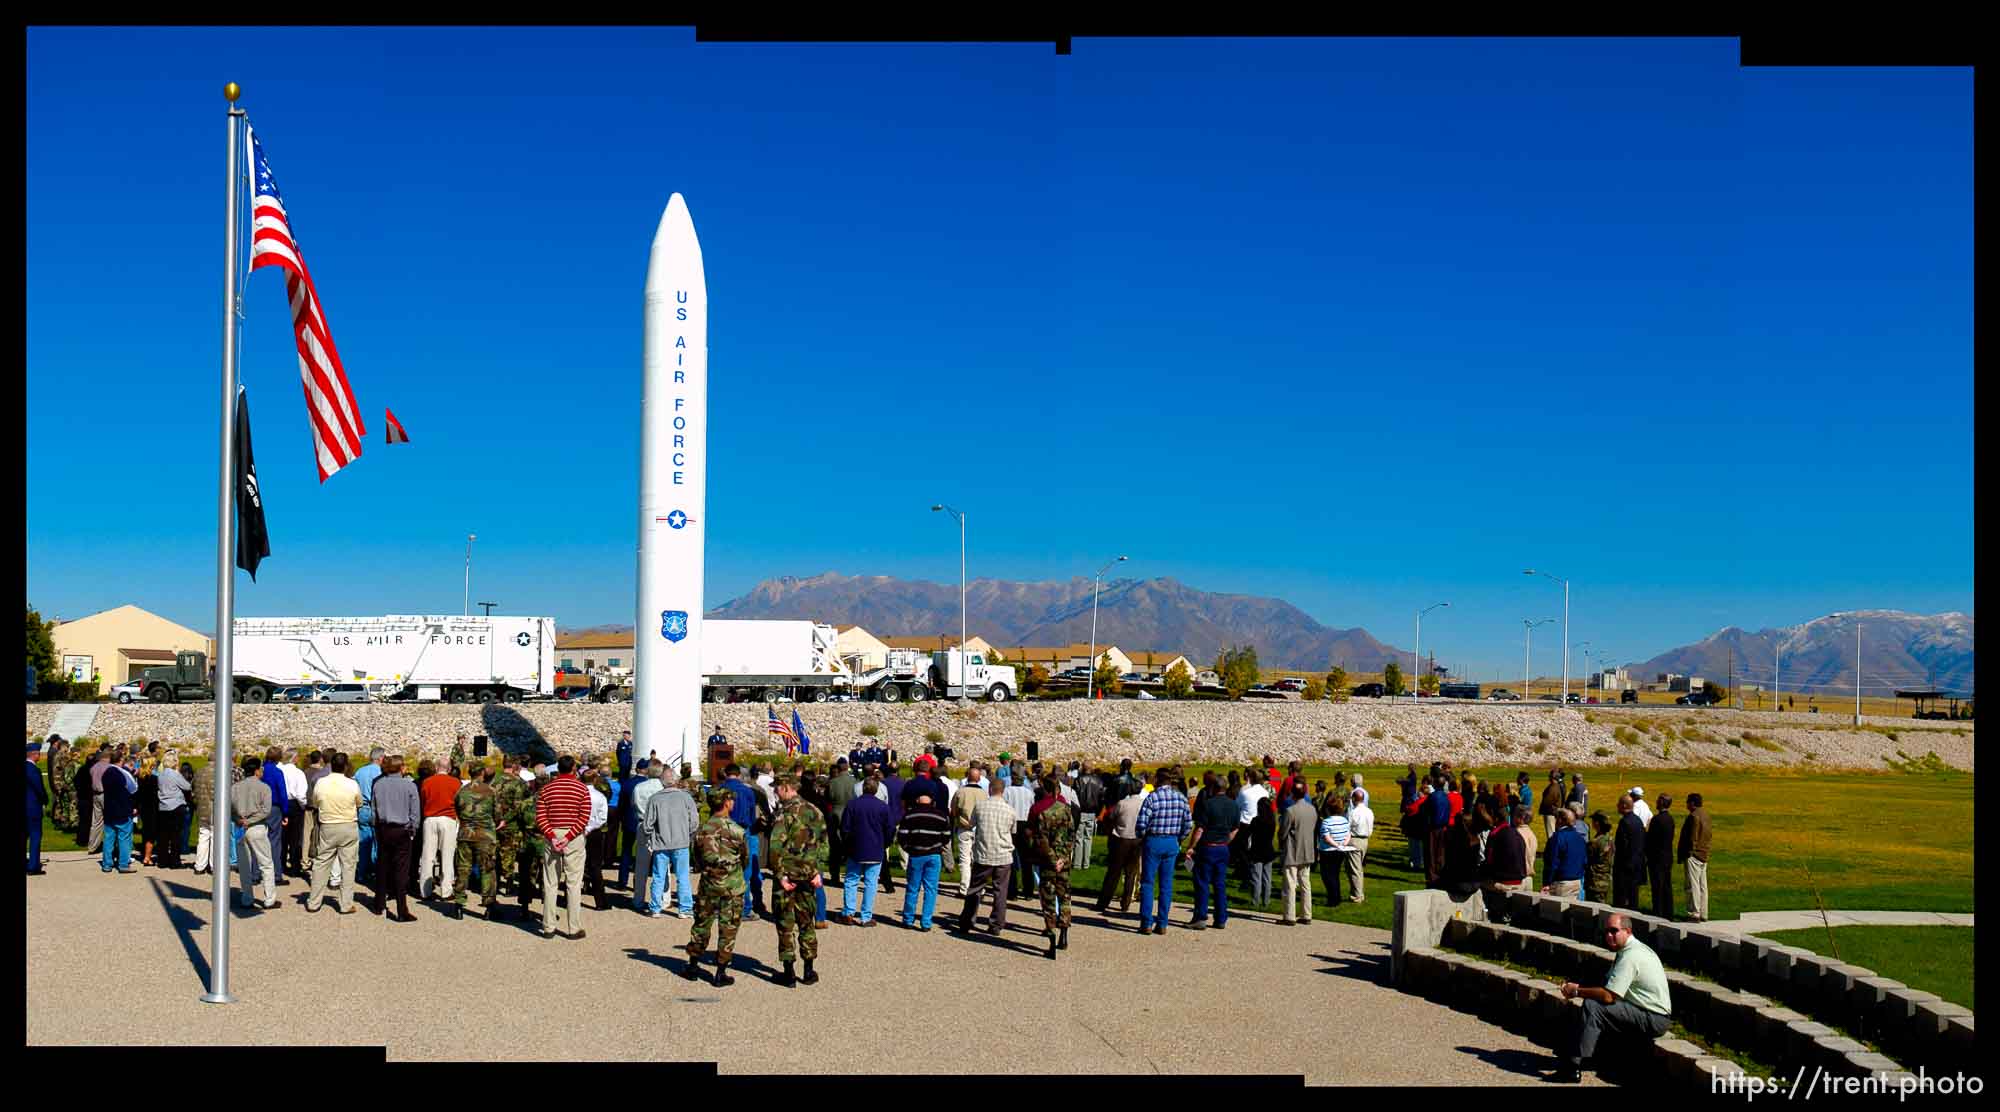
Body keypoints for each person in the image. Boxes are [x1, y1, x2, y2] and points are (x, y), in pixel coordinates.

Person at [1549, 913, 1673, 1083]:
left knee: (1594, 1007)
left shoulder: (1631, 956)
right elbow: (1607, 985)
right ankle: (1587, 1056)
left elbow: (1608, 996)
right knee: (1594, 1001)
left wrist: (1577, 991)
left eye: (1614, 931)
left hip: (1654, 1017)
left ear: (1627, 931)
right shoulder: (1629, 950)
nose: (1608, 935)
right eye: (1606, 931)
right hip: (1643, 1010)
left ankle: (1572, 1067)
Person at [683, 788, 747, 987]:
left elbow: (697, 859)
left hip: (709, 884)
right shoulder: (737, 831)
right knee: (728, 927)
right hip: (732, 885)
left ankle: (693, 964)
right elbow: (744, 859)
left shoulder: (702, 830)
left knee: (701, 924)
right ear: (726, 803)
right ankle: (721, 971)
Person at [769, 774, 828, 985]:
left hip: (788, 878)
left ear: (786, 787)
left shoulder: (784, 814)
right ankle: (809, 970)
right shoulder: (815, 811)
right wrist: (817, 872)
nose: (775, 791)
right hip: (808, 877)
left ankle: (789, 972)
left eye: (777, 788)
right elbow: (823, 844)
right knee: (806, 924)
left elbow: (775, 849)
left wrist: (780, 875)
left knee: (785, 925)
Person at [535, 754, 593, 940]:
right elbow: (584, 816)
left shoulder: (547, 789)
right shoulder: (581, 789)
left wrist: (552, 836)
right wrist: (567, 837)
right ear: (574, 769)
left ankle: (548, 926)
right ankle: (573, 927)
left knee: (550, 882)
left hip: (552, 832)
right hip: (573, 835)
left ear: (558, 769)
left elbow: (540, 816)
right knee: (573, 883)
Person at [956, 778, 1017, 936]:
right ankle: (996, 924)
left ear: (990, 789)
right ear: (1003, 791)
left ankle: (967, 920)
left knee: (975, 889)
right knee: (1000, 891)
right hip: (1003, 855)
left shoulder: (980, 807)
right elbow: (1013, 830)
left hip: (984, 854)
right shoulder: (1010, 810)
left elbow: (972, 824)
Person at [1134, 768, 1190, 935]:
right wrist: (1179, 839)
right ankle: (1163, 922)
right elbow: (1188, 823)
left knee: (1148, 883)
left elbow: (1142, 823)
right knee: (1166, 884)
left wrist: (1142, 837)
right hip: (1172, 840)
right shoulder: (1181, 798)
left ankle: (1146, 922)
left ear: (1158, 780)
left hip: (1154, 840)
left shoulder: (1153, 798)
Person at [305, 753, 362, 914]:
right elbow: (359, 802)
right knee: (348, 866)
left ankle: (314, 902)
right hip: (348, 825)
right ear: (346, 766)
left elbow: (315, 802)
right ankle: (346, 904)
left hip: (328, 825)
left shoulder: (321, 782)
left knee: (321, 863)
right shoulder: (352, 783)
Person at [642, 764, 700, 918]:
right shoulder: (686, 797)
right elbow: (694, 821)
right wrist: (688, 834)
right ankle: (685, 908)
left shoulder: (655, 799)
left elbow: (647, 825)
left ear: (662, 781)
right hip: (681, 842)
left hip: (661, 843)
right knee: (683, 877)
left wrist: (651, 837)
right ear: (676, 780)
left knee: (659, 876)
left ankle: (655, 908)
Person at [1029, 773, 1076, 958]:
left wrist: (1052, 859)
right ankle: (1064, 933)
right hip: (1063, 860)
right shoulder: (1066, 810)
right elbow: (1072, 835)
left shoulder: (1042, 812)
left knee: (1048, 900)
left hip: (1048, 862)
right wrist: (1063, 858)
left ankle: (1051, 937)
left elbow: (1041, 840)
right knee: (1064, 897)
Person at [838, 772, 894, 926]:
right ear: (876, 790)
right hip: (875, 848)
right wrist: (885, 844)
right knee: (871, 883)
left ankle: (848, 912)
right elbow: (890, 829)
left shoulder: (852, 805)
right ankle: (866, 916)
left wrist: (847, 844)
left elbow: (844, 828)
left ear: (862, 789)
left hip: (856, 847)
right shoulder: (883, 807)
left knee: (851, 880)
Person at [371, 755, 422, 921]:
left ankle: (379, 904)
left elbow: (373, 809)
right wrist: (413, 829)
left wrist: (376, 825)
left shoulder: (378, 784)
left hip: (383, 828)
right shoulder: (409, 786)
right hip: (402, 830)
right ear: (401, 768)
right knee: (401, 870)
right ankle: (401, 909)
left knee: (382, 866)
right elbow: (415, 811)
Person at [447, 763, 500, 920]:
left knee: (463, 869)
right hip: (485, 835)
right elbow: (497, 814)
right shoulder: (491, 791)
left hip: (465, 834)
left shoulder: (461, 792)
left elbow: (456, 810)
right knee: (487, 869)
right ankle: (489, 906)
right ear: (482, 773)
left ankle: (458, 905)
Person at [897, 779, 950, 931]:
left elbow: (902, 836)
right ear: (932, 800)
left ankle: (908, 919)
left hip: (916, 854)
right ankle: (926, 922)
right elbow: (946, 836)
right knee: (931, 889)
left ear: (917, 799)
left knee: (913, 888)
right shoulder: (940, 816)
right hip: (934, 855)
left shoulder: (910, 815)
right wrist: (937, 846)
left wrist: (909, 848)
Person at [231, 755, 280, 909]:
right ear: (257, 770)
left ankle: (247, 898)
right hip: (256, 826)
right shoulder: (264, 787)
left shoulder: (235, 787)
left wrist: (238, 819)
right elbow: (266, 811)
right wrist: (250, 820)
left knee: (245, 865)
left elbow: (229, 807)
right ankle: (269, 898)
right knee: (266, 863)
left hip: (240, 826)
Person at [1095, 772, 1146, 915]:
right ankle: (1125, 903)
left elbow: (1111, 817)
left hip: (1121, 838)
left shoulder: (1123, 803)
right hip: (1137, 840)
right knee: (1131, 873)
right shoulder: (1144, 804)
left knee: (1113, 872)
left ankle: (1103, 902)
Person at [721, 765, 763, 920]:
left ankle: (724, 905)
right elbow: (752, 814)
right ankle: (745, 907)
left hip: (724, 830)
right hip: (743, 830)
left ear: (726, 774)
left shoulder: (720, 789)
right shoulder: (747, 791)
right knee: (744, 870)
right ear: (738, 775)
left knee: (724, 868)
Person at [417, 758, 463, 903]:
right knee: (447, 855)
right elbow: (460, 802)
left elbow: (423, 800)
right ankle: (446, 891)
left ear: (437, 767)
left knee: (427, 855)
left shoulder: (427, 782)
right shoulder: (456, 783)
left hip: (430, 819)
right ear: (449, 769)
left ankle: (425, 891)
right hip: (448, 819)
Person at [1480, 805, 1531, 920]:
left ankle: (1488, 914)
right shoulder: (1517, 833)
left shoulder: (1495, 834)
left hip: (1504, 880)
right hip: (1519, 878)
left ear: (1496, 818)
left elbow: (1489, 861)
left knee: (1479, 883)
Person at [950, 761, 985, 898]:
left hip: (964, 828)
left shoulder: (960, 792)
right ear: (979, 778)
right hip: (979, 828)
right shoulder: (983, 794)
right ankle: (979, 888)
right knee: (978, 859)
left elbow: (953, 811)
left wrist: (960, 817)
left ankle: (964, 888)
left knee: (965, 860)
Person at [1677, 792, 1712, 922]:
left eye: (1687, 802)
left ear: (1692, 803)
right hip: (1704, 853)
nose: (1686, 804)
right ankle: (1704, 913)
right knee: (1703, 885)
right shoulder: (1706, 815)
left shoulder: (1694, 816)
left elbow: (1692, 837)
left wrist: (1689, 852)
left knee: (1692, 885)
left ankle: (1694, 913)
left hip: (1694, 854)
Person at [353, 747, 385, 887]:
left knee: (364, 842)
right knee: (377, 843)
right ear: (381, 758)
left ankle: (361, 872)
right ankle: (375, 872)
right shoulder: (380, 773)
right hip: (375, 808)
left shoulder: (360, 771)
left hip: (362, 808)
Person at [153, 757, 191, 871]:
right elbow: (187, 786)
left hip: (163, 806)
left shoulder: (160, 774)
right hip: (175, 805)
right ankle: (175, 861)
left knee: (163, 836)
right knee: (175, 835)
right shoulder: (175, 774)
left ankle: (162, 861)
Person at [1541, 807, 1586, 900]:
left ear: (1561, 820)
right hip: (1577, 882)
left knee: (1554, 912)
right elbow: (1584, 861)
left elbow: (1552, 862)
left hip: (1561, 882)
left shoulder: (1557, 837)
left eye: (1556, 818)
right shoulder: (1580, 838)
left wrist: (1546, 882)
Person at [1645, 793, 1676, 921]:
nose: (1656, 802)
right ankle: (1668, 911)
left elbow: (1651, 839)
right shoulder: (1670, 819)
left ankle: (1658, 911)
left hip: (1656, 857)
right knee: (1666, 885)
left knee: (1657, 886)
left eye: (1658, 800)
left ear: (1662, 802)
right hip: (1667, 856)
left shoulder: (1657, 820)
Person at [1316, 794, 1351, 904]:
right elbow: (1348, 834)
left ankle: (1333, 898)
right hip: (1340, 851)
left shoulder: (1326, 822)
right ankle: (1336, 897)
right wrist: (1343, 844)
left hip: (1327, 851)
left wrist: (1336, 845)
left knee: (1326, 875)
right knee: (1335, 874)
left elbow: (1326, 838)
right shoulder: (1344, 820)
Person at [277, 748, 307, 878]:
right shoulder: (299, 773)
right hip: (294, 804)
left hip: (281, 803)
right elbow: (301, 794)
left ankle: (281, 864)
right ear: (294, 758)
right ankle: (295, 867)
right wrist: (302, 806)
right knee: (295, 838)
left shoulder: (280, 771)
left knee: (282, 837)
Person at [1612, 795, 1646, 911]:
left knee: (1621, 899)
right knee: (1633, 897)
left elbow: (1622, 846)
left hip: (1625, 867)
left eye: (1619, 803)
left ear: (1624, 805)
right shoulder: (1638, 820)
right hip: (1637, 864)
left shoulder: (1624, 822)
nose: (1617, 805)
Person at [1244, 795, 1277, 910]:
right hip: (1268, 851)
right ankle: (1266, 901)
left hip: (1257, 851)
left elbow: (1248, 834)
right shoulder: (1272, 821)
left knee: (1256, 878)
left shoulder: (1256, 821)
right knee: (1267, 878)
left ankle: (1255, 900)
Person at [1345, 786, 1374, 902]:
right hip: (1365, 840)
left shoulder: (1353, 812)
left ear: (1354, 799)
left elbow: (1347, 828)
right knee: (1358, 868)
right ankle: (1357, 892)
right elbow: (1371, 827)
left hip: (1355, 840)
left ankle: (1357, 895)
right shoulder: (1369, 811)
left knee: (1355, 869)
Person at [26, 745, 48, 875]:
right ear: (34, 754)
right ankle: (33, 865)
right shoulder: (33, 770)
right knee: (35, 836)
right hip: (32, 807)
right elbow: (39, 788)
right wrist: (45, 800)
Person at [1585, 811, 1615, 904]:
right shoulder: (1609, 838)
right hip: (1605, 879)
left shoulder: (1595, 842)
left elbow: (1587, 859)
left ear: (1597, 823)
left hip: (1594, 881)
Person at [1539, 770, 1565, 842]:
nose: (1548, 777)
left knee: (1551, 834)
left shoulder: (1553, 788)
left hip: (1550, 812)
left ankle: (1552, 850)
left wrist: (1543, 807)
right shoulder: (1555, 786)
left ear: (1553, 777)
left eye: (1550, 776)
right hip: (1553, 812)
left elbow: (1547, 801)